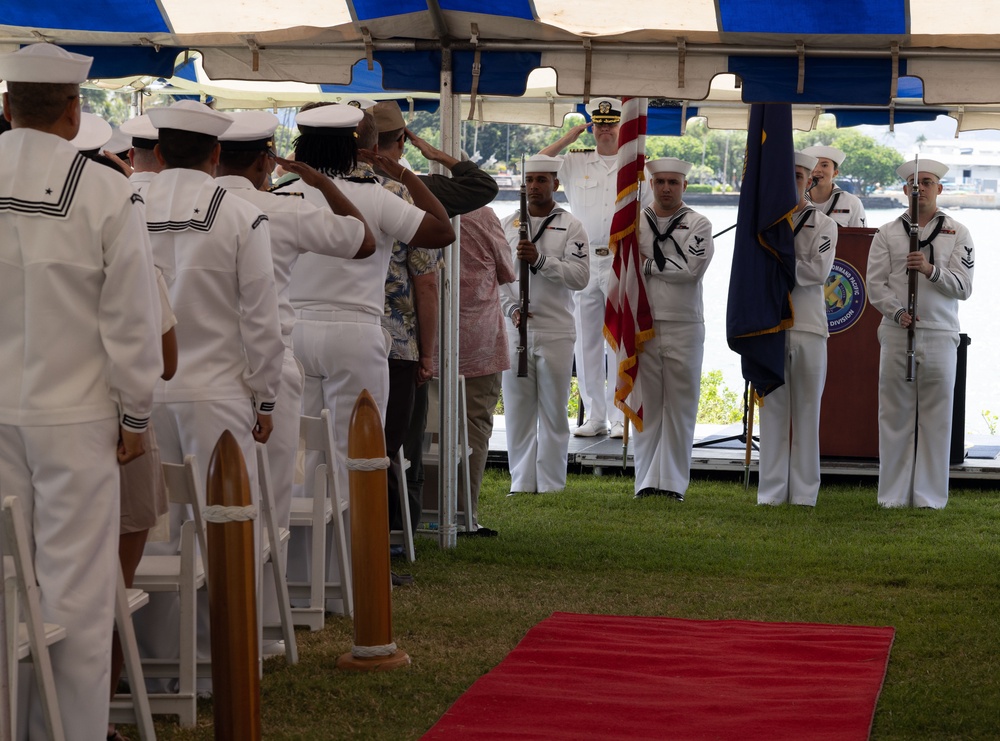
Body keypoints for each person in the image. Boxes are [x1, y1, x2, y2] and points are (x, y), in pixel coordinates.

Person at [0, 43, 161, 740]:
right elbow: (130, 318)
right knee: (79, 594)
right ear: (73, 111)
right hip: (75, 418)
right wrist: (135, 413)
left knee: (5, 589)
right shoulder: (105, 189)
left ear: (8, 107)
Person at [140, 100, 284, 683]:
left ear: (157, 148)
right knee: (223, 527)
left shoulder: (125, 203)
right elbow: (261, 319)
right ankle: (215, 661)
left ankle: (151, 661)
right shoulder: (240, 212)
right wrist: (266, 396)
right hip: (219, 394)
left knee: (152, 529)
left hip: (143, 394)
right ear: (216, 153)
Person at [286, 104, 454, 604]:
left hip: (293, 331)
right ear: (357, 145)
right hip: (355, 333)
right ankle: (348, 581)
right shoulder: (374, 196)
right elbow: (441, 230)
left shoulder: (279, 193)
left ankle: (301, 577)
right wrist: (398, 171)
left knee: (301, 458)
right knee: (357, 457)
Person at [215, 109, 374, 635]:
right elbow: (361, 238)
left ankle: (182, 642)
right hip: (264, 368)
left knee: (186, 514)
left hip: (184, 377)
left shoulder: (162, 205)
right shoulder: (277, 208)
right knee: (267, 506)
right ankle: (252, 630)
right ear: (266, 159)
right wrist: (319, 182)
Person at [540, 97, 652, 440]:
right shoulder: (575, 161)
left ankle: (621, 415)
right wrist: (567, 138)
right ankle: (595, 416)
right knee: (586, 340)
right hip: (584, 257)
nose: (605, 130)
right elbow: (538, 165)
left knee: (619, 337)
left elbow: (646, 216)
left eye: (611, 124)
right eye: (599, 124)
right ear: (592, 128)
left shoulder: (636, 167)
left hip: (621, 257)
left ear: (622, 127)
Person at [867, 158, 974, 509]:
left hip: (941, 332)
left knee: (936, 418)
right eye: (914, 182)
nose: (921, 188)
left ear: (939, 189)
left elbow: (963, 286)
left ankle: (929, 498)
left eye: (927, 182)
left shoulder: (958, 232)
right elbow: (875, 284)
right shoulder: (887, 232)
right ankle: (893, 497)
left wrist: (930, 271)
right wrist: (897, 312)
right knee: (895, 415)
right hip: (898, 331)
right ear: (904, 190)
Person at [500, 154, 590, 494]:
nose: (535, 186)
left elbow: (580, 277)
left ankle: (552, 483)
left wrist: (539, 260)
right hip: (517, 329)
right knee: (518, 411)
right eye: (530, 180)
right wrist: (510, 310)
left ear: (556, 184)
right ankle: (521, 482)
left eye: (542, 180)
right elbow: (498, 279)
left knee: (553, 412)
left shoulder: (571, 226)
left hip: (555, 330)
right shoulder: (507, 224)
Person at [757, 152, 838, 507]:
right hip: (770, 327)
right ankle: (772, 492)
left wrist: (777, 263)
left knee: (807, 412)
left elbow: (816, 273)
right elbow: (752, 273)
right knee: (772, 412)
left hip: (808, 327)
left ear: (810, 181)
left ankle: (805, 493)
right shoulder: (760, 223)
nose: (795, 181)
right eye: (789, 175)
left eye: (801, 176)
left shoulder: (824, 224)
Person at [632, 158, 715, 502]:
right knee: (648, 407)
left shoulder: (699, 223)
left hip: (684, 323)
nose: (666, 188)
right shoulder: (634, 222)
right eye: (661, 181)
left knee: (680, 407)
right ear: (651, 184)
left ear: (684, 186)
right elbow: (622, 268)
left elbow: (691, 270)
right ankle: (646, 481)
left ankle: (673, 484)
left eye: (673, 182)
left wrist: (648, 265)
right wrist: (661, 267)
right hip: (644, 324)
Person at [452, 206, 517, 533]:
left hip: (431, 340)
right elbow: (507, 270)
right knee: (474, 428)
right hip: (479, 339)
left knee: (426, 430)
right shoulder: (483, 215)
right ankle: (464, 516)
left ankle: (423, 511)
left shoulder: (415, 205)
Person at [801, 145, 866, 227]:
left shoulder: (852, 202)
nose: (817, 170)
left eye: (824, 165)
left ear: (835, 173)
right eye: (813, 165)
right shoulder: (796, 201)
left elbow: (860, 237)